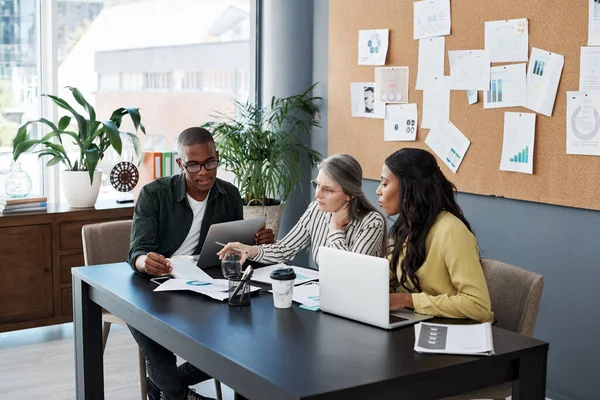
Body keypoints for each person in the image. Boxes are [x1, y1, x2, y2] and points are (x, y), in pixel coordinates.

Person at [127, 127, 275, 400]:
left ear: (217, 157)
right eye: (193, 164)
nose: (204, 172)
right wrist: (144, 262)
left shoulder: (229, 194)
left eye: (210, 162)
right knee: (153, 338)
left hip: (205, 282)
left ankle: (166, 387)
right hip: (154, 285)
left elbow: (232, 249)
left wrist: (255, 244)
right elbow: (137, 251)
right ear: (180, 162)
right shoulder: (153, 194)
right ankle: (176, 394)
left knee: (239, 339)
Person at [377, 148, 494, 323]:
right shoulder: (409, 224)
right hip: (418, 324)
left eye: (385, 184)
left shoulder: (451, 230)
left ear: (410, 187)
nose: (379, 190)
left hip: (452, 332)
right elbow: (393, 273)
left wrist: (408, 300)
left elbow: (478, 305)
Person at [218, 153, 386, 267]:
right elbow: (284, 249)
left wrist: (335, 228)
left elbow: (348, 272)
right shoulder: (316, 209)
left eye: (327, 189)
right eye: (317, 185)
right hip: (326, 296)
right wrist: (249, 250)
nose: (317, 194)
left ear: (349, 194)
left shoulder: (372, 222)